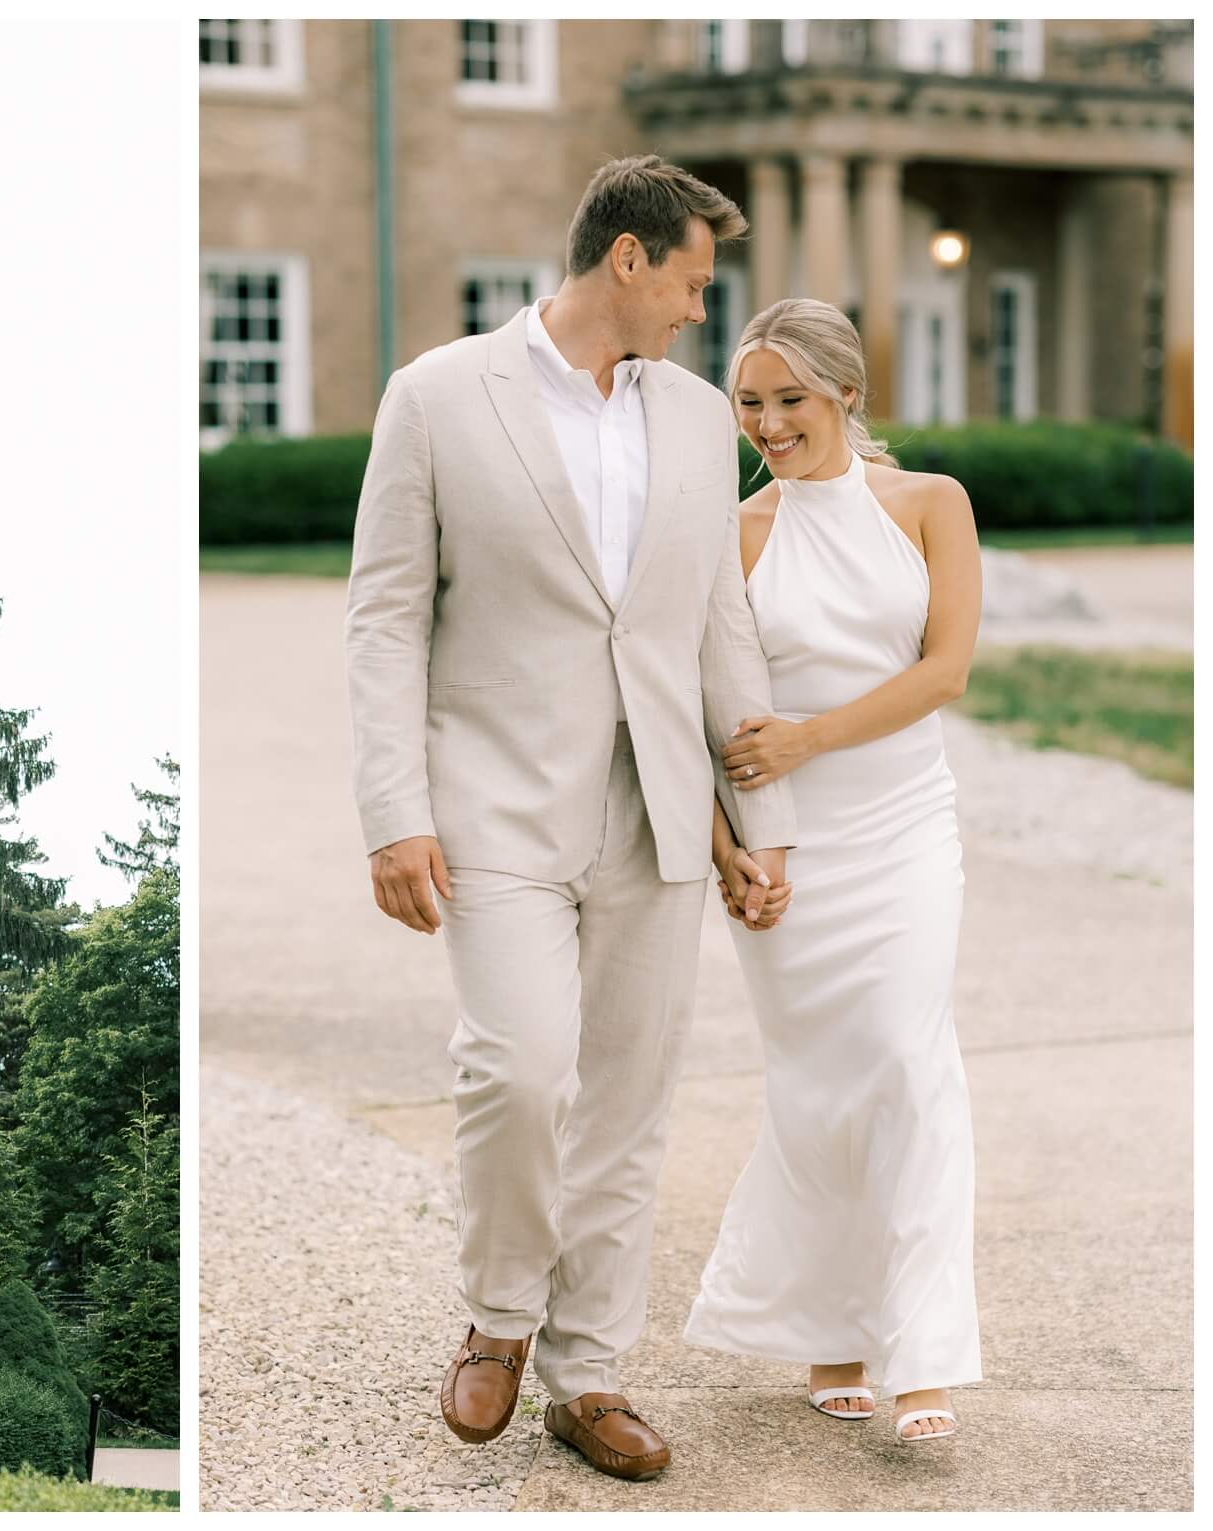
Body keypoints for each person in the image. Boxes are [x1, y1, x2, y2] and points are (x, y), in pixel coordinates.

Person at [344, 154, 796, 1482]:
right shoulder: (435, 396)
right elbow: (382, 616)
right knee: (520, 1062)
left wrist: (756, 813)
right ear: (627, 259)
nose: (699, 312)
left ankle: (587, 1370)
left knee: (629, 1100)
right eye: (694, 283)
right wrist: (393, 808)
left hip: (655, 797)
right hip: (492, 796)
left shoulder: (701, 418)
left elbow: (720, 621)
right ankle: (497, 1314)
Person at [683, 298, 983, 1445]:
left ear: (846, 394)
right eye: (748, 402)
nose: (765, 422)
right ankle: (830, 1333)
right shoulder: (736, 534)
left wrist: (811, 735)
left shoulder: (929, 506)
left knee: (908, 1064)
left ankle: (921, 1358)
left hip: (905, 825)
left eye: (788, 399)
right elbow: (713, 716)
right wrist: (736, 849)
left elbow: (944, 669)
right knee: (815, 1087)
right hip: (790, 843)